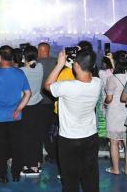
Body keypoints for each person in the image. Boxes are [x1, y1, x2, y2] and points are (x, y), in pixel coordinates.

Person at [44, 44, 102, 192]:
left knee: (70, 179)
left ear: (76, 65)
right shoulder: (98, 83)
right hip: (90, 136)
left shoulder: (67, 86)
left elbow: (48, 85)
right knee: (91, 176)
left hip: (69, 138)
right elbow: (89, 72)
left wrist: (59, 65)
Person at [0, 46, 32, 183]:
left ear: (0, 57)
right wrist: (18, 109)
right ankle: (16, 173)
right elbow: (28, 94)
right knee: (17, 145)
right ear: (12, 57)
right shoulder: (19, 73)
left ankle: (2, 175)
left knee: (0, 147)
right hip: (16, 117)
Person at [104, 52, 127, 175]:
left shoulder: (112, 78)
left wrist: (105, 103)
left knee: (114, 142)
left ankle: (116, 169)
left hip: (114, 114)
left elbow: (109, 98)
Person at [17, 45, 46, 176]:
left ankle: (31, 166)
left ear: (24, 57)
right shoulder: (40, 67)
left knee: (26, 137)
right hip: (37, 105)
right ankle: (37, 163)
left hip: (25, 106)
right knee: (36, 135)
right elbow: (34, 64)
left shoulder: (21, 71)